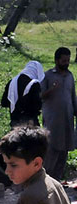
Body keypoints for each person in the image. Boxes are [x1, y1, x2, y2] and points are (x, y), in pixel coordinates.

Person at [41, 47, 77, 181]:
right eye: (63, 60)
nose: (66, 63)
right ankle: (46, 180)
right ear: (57, 61)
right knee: (52, 150)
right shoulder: (48, 76)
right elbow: (40, 96)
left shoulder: (70, 76)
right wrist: (51, 89)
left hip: (67, 119)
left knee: (64, 151)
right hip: (53, 120)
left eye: (68, 60)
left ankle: (57, 181)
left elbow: (73, 96)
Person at [1, 61, 44, 127]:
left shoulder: (12, 82)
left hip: (15, 123)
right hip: (31, 124)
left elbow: (4, 102)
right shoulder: (34, 84)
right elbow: (37, 105)